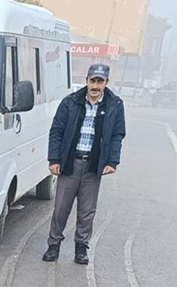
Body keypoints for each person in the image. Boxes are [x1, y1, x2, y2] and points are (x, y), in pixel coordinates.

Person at [43, 63, 126, 265]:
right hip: (70, 163)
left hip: (93, 165)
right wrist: (54, 160)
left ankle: (81, 248)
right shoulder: (71, 102)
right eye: (93, 81)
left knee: (87, 211)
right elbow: (56, 132)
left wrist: (112, 161)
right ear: (87, 80)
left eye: (100, 81)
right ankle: (53, 245)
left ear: (106, 83)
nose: (96, 86)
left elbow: (117, 135)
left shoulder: (114, 104)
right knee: (61, 208)